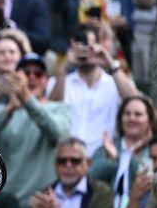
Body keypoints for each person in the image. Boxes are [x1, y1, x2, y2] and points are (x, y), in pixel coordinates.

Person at [0, 53, 71, 208]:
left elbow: (57, 133)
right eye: (26, 73)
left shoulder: (58, 109)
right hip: (5, 206)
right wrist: (10, 109)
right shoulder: (2, 109)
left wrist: (27, 99)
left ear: (46, 81)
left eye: (38, 73)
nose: (32, 77)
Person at [49, 26, 139, 156]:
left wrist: (110, 63)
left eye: (90, 45)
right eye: (80, 45)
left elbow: (136, 102)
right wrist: (63, 68)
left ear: (99, 46)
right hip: (68, 158)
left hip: (103, 157)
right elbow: (51, 111)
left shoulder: (115, 82)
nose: (85, 50)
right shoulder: (59, 81)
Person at [89, 96, 157, 208]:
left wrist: (119, 157)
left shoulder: (156, 149)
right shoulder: (106, 147)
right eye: (127, 114)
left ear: (149, 120)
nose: (132, 118)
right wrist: (117, 159)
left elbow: (149, 181)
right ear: (120, 119)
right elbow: (90, 175)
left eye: (138, 114)